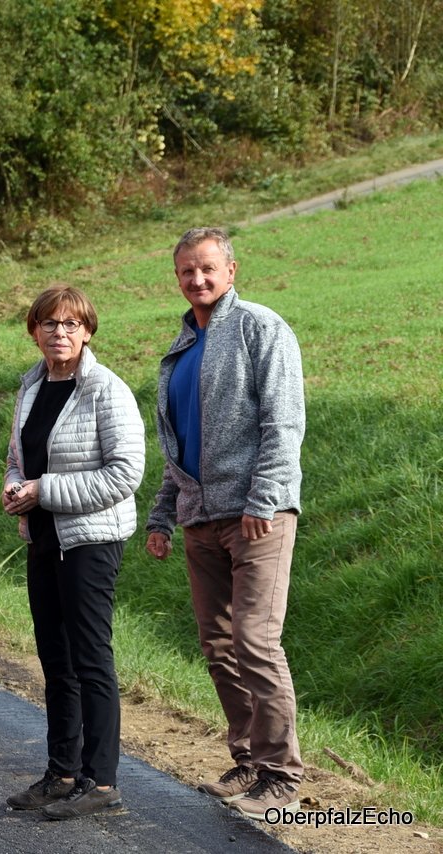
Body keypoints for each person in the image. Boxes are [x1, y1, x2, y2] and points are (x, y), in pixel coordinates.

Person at [145, 227, 306, 821]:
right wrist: (163, 515)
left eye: (208, 268)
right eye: (187, 271)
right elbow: (179, 445)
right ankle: (246, 760)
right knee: (218, 646)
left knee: (256, 641)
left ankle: (282, 772)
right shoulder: (181, 349)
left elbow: (283, 422)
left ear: (231, 270)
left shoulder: (261, 328)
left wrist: (264, 498)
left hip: (256, 515)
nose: (198, 279)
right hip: (198, 519)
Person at [0, 285, 145, 820]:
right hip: (42, 537)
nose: (58, 333)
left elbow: (126, 474)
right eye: (48, 324)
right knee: (55, 661)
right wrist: (15, 485)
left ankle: (101, 782)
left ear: (87, 331)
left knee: (90, 660)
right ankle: (61, 773)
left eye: (70, 324)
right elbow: (19, 456)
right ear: (34, 331)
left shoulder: (108, 390)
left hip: (90, 540)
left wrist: (44, 491)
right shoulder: (32, 386)